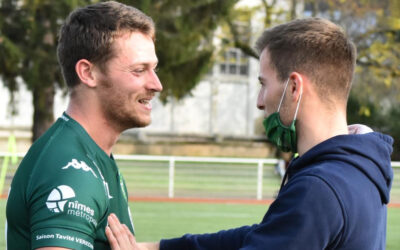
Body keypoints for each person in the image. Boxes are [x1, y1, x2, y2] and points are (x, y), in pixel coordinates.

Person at [105, 17, 394, 250]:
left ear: (294, 88)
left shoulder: (319, 189)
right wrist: (156, 248)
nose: (259, 101)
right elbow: (262, 235)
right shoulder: (359, 168)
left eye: (264, 84)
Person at [6, 1, 162, 249]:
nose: (156, 84)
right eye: (139, 70)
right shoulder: (69, 168)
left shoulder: (91, 154)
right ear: (88, 73)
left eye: (153, 69)